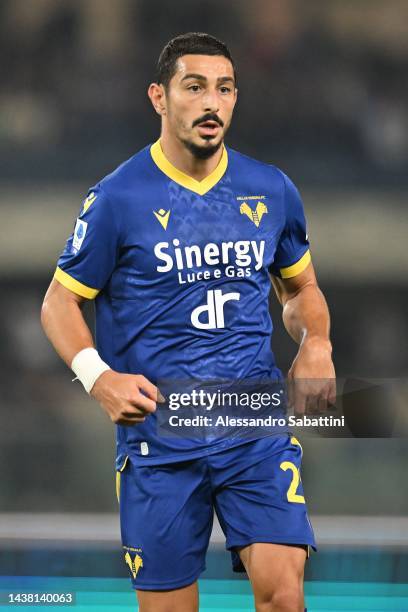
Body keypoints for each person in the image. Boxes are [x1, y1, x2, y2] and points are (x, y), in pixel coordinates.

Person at [41, 32, 335, 612]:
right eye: (194, 87)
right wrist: (98, 378)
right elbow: (58, 302)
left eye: (224, 89)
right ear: (159, 97)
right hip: (160, 436)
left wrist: (317, 341)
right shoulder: (117, 199)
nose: (212, 103)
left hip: (252, 422)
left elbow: (301, 289)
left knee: (284, 595)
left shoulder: (271, 189)